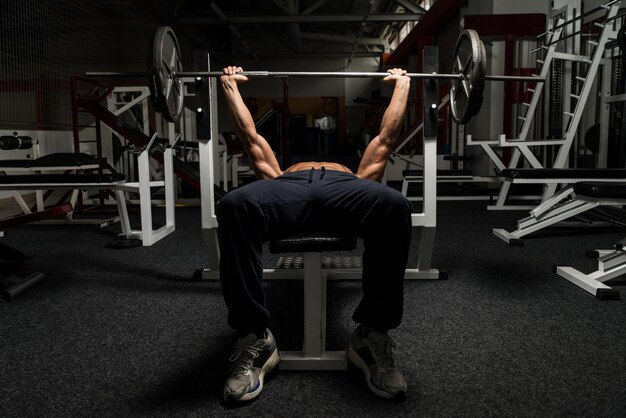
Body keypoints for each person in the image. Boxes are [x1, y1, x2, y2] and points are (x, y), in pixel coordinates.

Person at [217, 66, 413, 402]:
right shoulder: (279, 173)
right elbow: (251, 138)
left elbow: (384, 139)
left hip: (344, 189)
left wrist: (403, 83)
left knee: (394, 205)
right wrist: (229, 85)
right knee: (235, 204)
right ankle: (255, 336)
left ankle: (371, 334)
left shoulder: (359, 175)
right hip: (288, 189)